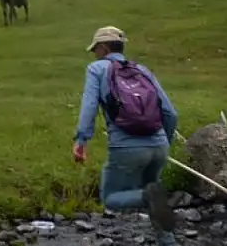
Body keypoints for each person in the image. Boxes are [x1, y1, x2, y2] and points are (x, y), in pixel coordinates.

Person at [72, 25, 179, 246]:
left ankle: (145, 198)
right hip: (158, 144)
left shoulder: (97, 69)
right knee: (153, 190)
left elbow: (89, 107)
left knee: (111, 198)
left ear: (103, 47)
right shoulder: (142, 70)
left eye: (95, 50)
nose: (94, 54)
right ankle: (168, 241)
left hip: (125, 146)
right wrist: (164, 142)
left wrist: (81, 140)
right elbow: (170, 112)